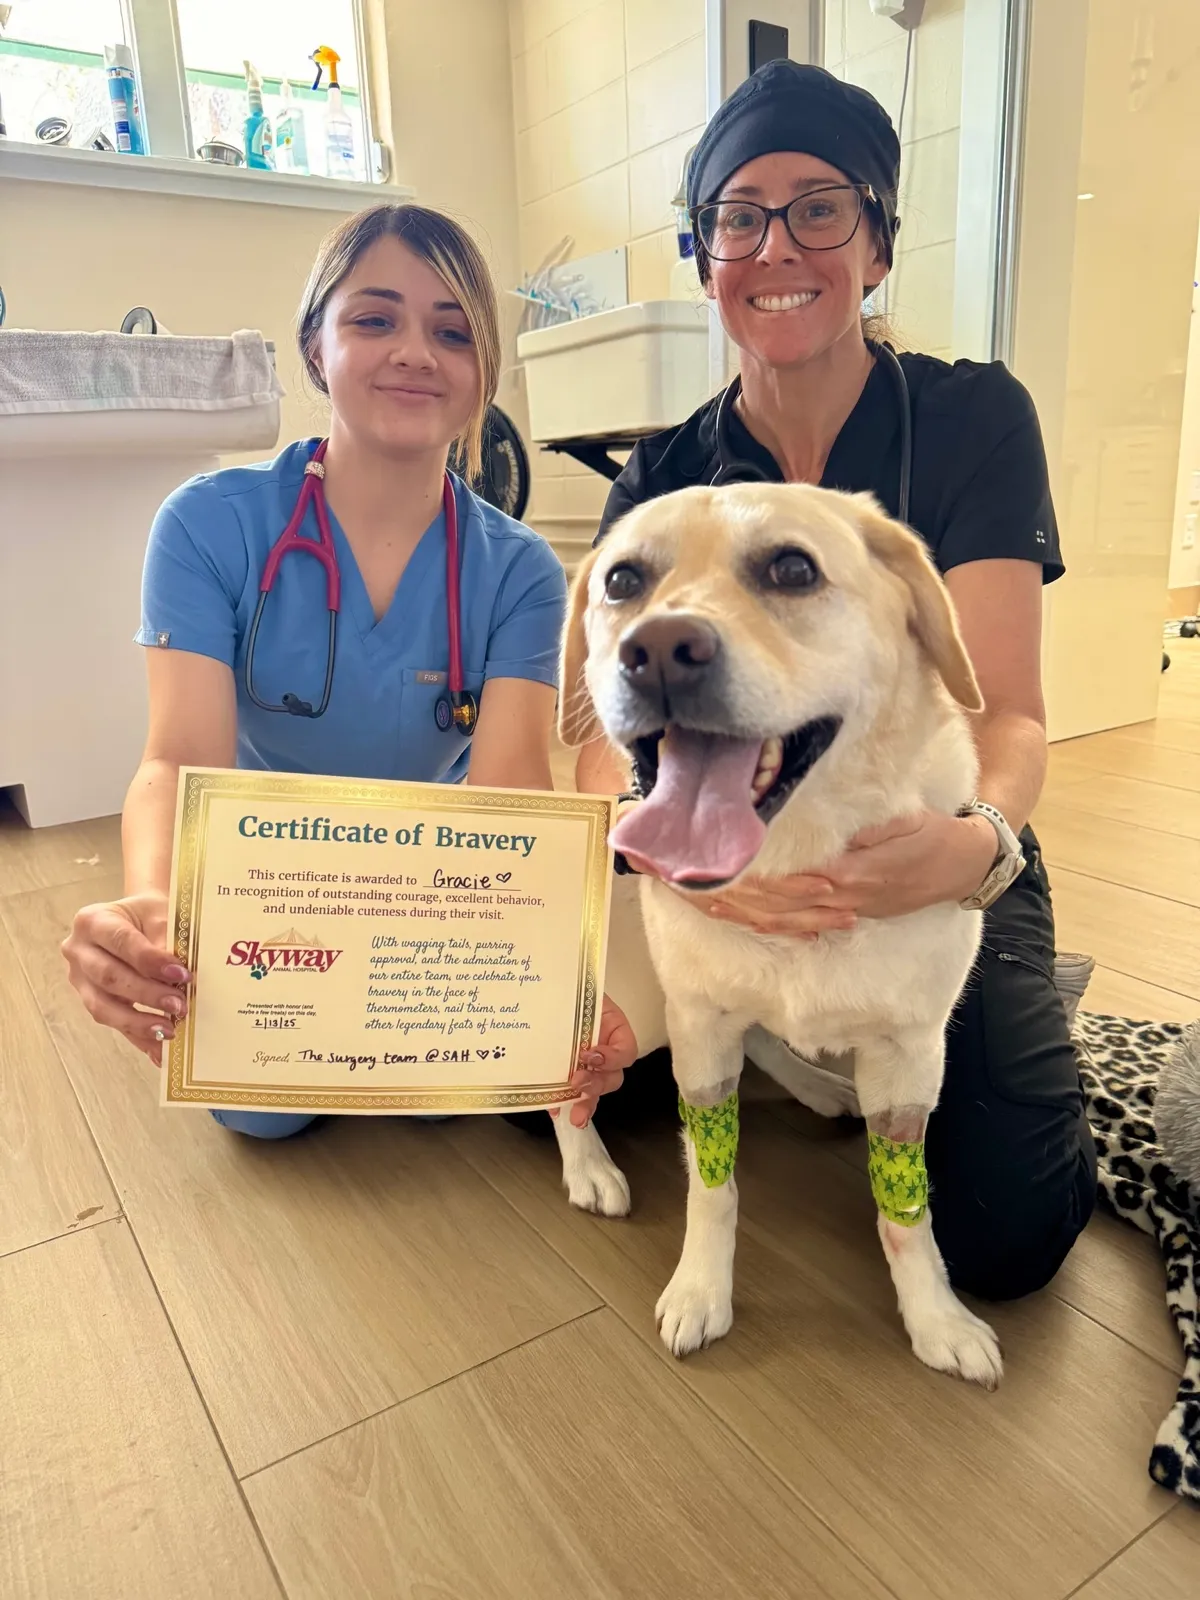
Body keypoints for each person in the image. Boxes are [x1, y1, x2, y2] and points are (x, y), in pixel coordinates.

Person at [571, 60, 1098, 1302]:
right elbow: (601, 738)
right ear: (705, 258)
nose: (775, 246)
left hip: (933, 843)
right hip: (711, 848)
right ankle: (783, 1047)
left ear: (879, 242)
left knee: (1012, 1231)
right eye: (737, 217)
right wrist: (674, 857)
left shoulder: (974, 419)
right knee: (553, 1077)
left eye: (820, 207)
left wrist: (978, 842)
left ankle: (932, 1017)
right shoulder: (661, 475)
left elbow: (1010, 710)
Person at [61, 202, 637, 1139]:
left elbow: (511, 797)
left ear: (484, 373)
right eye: (374, 318)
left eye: (453, 332)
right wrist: (158, 905)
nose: (415, 352)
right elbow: (176, 759)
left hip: (431, 896)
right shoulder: (209, 525)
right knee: (258, 1114)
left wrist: (553, 982)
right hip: (266, 887)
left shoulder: (521, 570)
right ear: (315, 345)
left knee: (452, 1100)